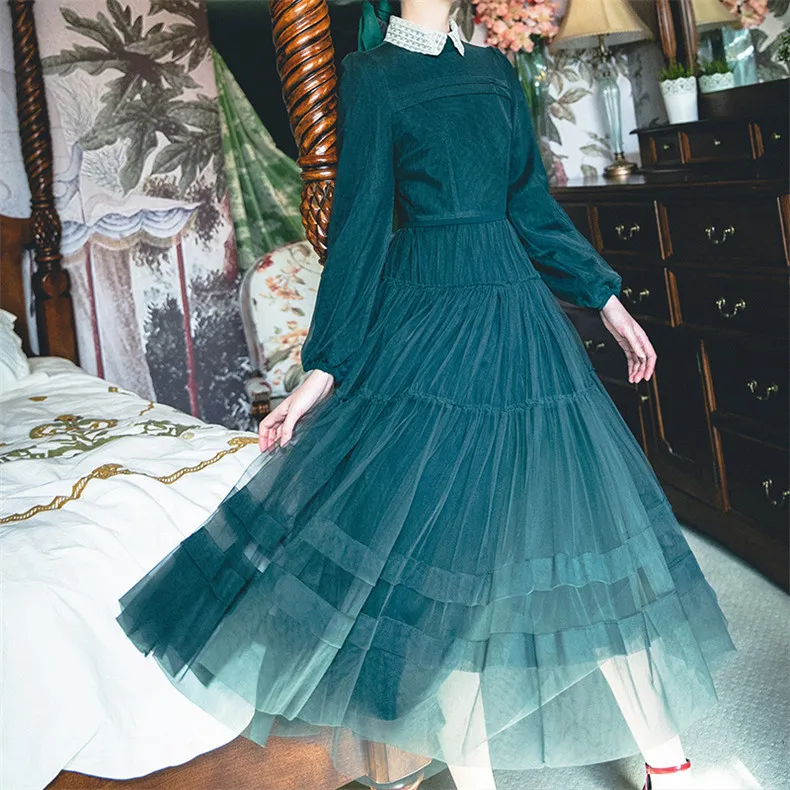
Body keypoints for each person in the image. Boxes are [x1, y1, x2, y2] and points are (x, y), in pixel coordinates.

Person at [116, 3, 737, 790]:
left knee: (588, 536)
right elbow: (359, 230)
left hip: (518, 324)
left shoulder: (494, 70)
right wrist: (322, 371)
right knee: (446, 574)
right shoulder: (373, 75)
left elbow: (529, 205)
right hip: (427, 332)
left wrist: (607, 301)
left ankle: (669, 768)